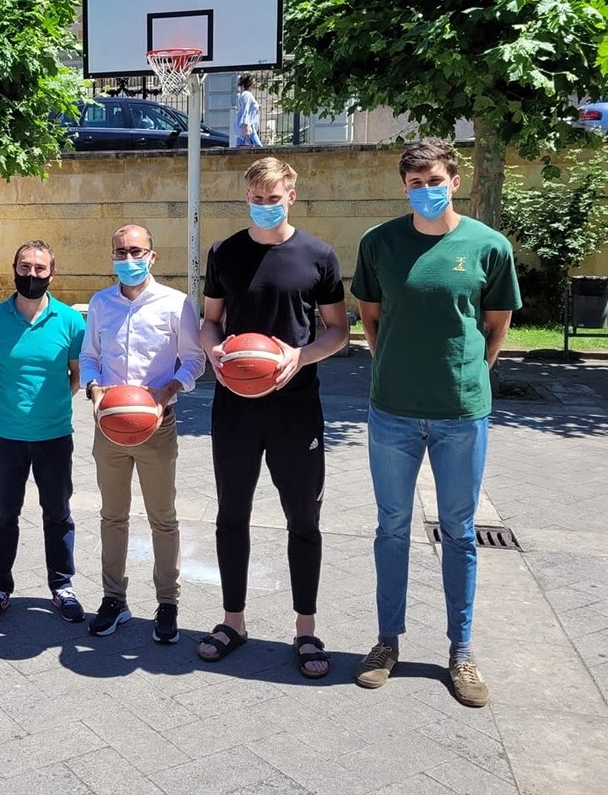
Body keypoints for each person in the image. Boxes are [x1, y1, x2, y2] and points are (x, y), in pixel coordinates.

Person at [350, 137, 521, 708]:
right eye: (415, 183)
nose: (426, 190)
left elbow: (495, 328)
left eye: (435, 180)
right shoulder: (379, 244)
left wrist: (466, 373)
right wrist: (396, 365)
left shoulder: (488, 246)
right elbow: (370, 320)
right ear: (405, 187)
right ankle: (386, 643)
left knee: (461, 532)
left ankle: (461, 652)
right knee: (391, 528)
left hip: (461, 414)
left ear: (455, 179)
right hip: (392, 412)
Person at [198, 158, 348, 676]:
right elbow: (210, 322)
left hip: (295, 409)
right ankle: (232, 621)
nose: (265, 206)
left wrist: (298, 357)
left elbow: (338, 332)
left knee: (303, 520)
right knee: (231, 515)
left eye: (274, 197)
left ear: (291, 196)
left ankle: (306, 631)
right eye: (256, 198)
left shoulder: (317, 255)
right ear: (247, 198)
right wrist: (214, 354)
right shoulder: (225, 252)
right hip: (235, 409)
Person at [79, 224, 206, 643]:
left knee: (162, 518)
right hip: (110, 426)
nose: (127, 259)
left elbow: (193, 360)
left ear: (153, 256)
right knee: (112, 516)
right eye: (120, 252)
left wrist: (168, 390)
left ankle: (167, 603)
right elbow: (90, 356)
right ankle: (114, 600)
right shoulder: (100, 303)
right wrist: (95, 389)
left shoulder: (175, 304)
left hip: (157, 424)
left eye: (135, 250)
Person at [0, 240, 87, 626]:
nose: (32, 275)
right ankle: (0, 586)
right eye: (25, 267)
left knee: (58, 514)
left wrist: (48, 407)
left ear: (52, 273)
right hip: (6, 436)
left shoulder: (71, 322)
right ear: (13, 269)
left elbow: (76, 375)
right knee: (5, 513)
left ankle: (62, 586)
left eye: (40, 268)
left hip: (55, 435)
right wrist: (13, 407)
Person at [231, 74, 261, 147]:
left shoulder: (244, 95)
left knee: (241, 152)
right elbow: (245, 111)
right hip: (249, 130)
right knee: (260, 152)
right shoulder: (247, 95)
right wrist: (246, 128)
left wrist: (257, 107)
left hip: (244, 130)